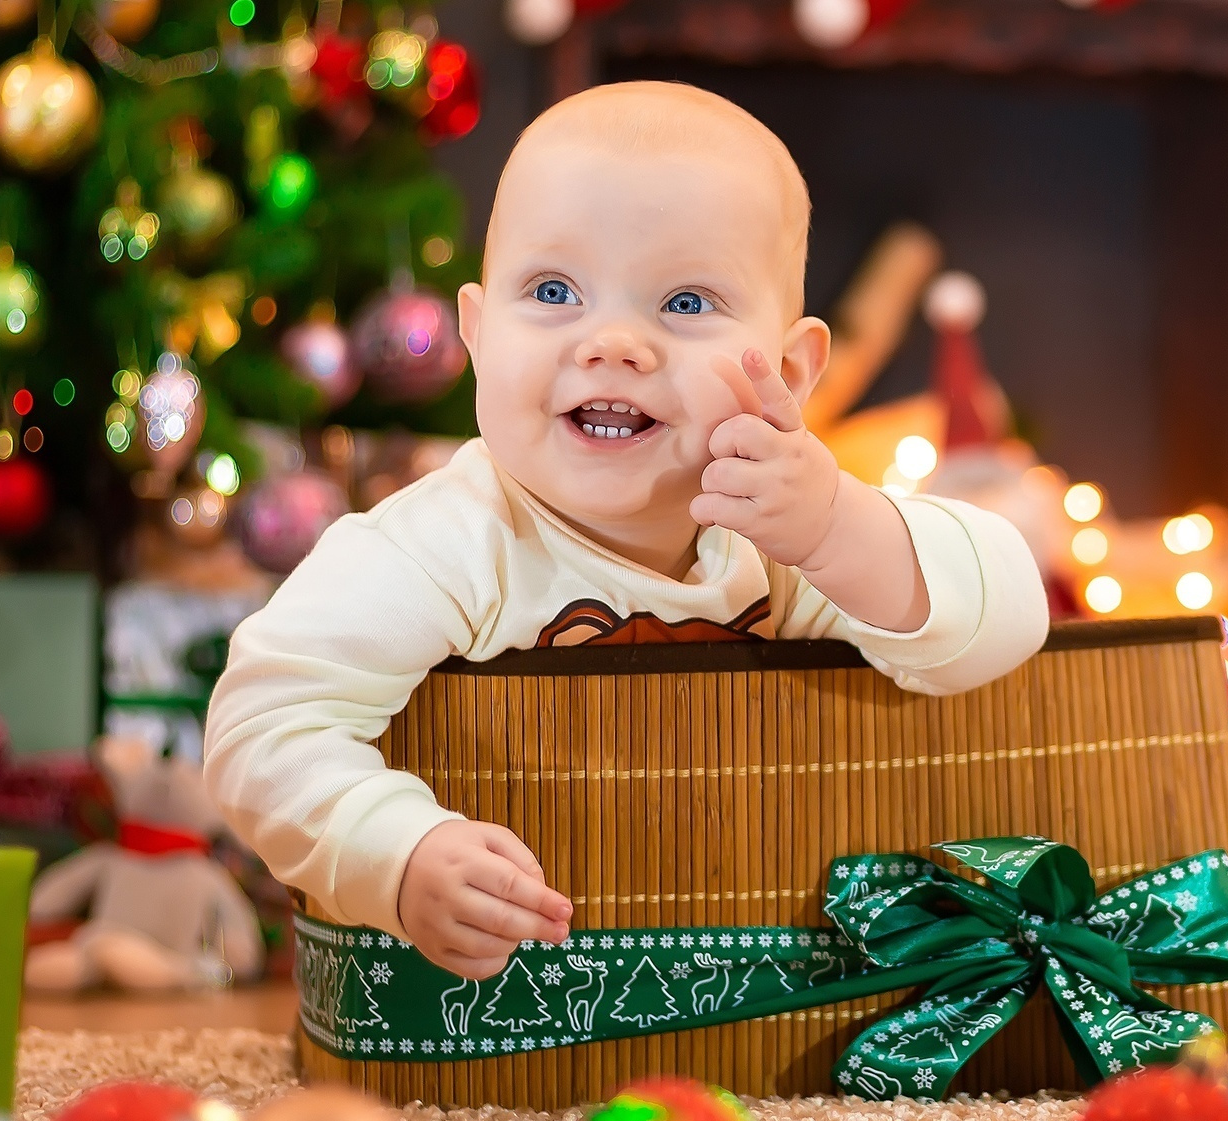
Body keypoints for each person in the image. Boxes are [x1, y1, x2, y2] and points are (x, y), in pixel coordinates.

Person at [204, 82, 1049, 982]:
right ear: (480, 338)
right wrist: (396, 854)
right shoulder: (445, 543)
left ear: (794, 373)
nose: (612, 343)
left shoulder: (777, 536)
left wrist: (839, 525)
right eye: (554, 290)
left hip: (742, 988)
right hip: (496, 1003)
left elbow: (1008, 619)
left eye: (685, 304)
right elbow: (265, 723)